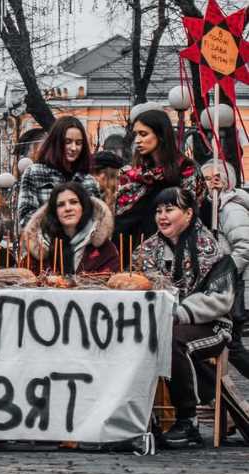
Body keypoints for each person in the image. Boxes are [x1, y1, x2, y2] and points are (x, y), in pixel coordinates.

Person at [133, 187, 236, 448]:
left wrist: (177, 314)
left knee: (173, 341)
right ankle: (141, 418)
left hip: (210, 325)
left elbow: (220, 298)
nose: (162, 216)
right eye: (158, 211)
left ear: (189, 213)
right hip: (155, 324)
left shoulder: (213, 247)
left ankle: (187, 419)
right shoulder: (146, 250)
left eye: (170, 209)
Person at [115, 109, 204, 267]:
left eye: (143, 134)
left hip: (173, 255)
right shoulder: (131, 174)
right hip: (130, 254)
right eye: (135, 134)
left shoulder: (185, 170)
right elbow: (119, 218)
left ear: (161, 135)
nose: (137, 140)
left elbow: (192, 215)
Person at [199, 160, 249, 379]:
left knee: (232, 344)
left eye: (214, 179)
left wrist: (224, 275)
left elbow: (244, 247)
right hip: (225, 286)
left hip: (232, 286)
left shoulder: (230, 208)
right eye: (206, 179)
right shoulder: (213, 208)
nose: (210, 184)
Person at [17, 116, 101, 229]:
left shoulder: (89, 181)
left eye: (79, 143)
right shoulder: (35, 173)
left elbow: (98, 221)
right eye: (68, 142)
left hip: (81, 245)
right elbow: (25, 218)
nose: (73, 148)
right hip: (48, 244)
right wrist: (62, 221)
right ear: (56, 142)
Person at [22, 182, 118, 275]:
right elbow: (23, 283)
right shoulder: (40, 248)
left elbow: (108, 286)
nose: (68, 208)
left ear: (84, 206)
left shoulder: (105, 250)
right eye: (61, 205)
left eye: (74, 202)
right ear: (54, 211)